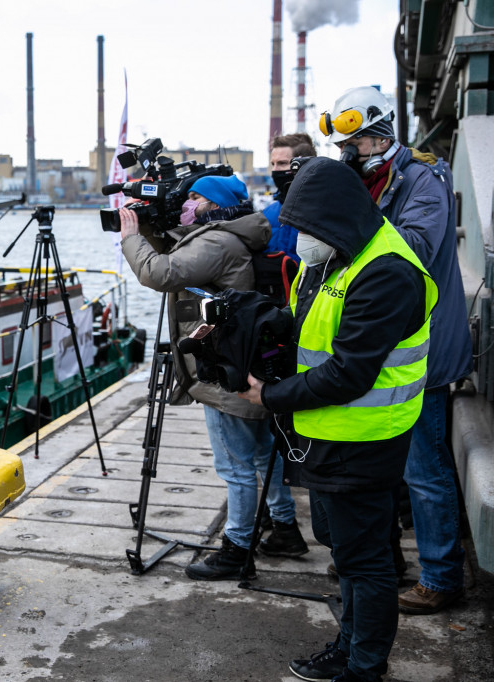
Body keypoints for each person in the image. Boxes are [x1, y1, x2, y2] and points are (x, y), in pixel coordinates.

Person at [239, 157, 437, 682]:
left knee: (366, 561)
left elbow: (350, 372)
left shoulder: (387, 270)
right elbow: (307, 327)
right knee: (344, 552)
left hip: (364, 439)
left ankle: (365, 666)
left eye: (306, 226)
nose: (299, 237)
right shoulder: (333, 254)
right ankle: (347, 647)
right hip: (327, 431)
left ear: (333, 217)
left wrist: (272, 396)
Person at [323, 85, 473, 615]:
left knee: (424, 470)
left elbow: (411, 254)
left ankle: (441, 577)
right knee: (382, 464)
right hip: (386, 349)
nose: (351, 153)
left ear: (381, 134)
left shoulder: (421, 181)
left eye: (357, 142)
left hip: (422, 353)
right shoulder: (377, 180)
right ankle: (386, 559)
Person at [119, 173, 308, 582]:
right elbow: (179, 251)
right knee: (259, 454)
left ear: (212, 203)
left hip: (225, 369)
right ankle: (285, 528)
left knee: (235, 466)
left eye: (194, 198)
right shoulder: (232, 233)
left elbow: (160, 273)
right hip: (244, 359)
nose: (187, 204)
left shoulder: (217, 241)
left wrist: (131, 236)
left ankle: (237, 549)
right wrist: (154, 225)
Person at [262, 132, 317, 259]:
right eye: (273, 164)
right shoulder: (267, 213)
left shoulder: (323, 211)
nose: (275, 170)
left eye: (282, 163)